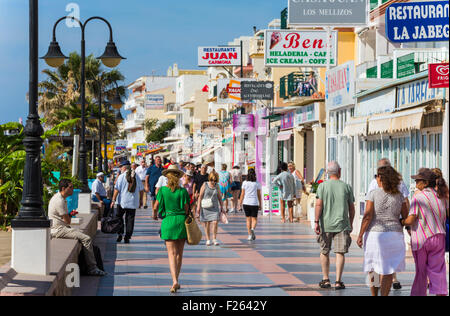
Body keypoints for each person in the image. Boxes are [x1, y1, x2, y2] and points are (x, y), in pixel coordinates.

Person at [357, 166, 408, 296]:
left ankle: (374, 294)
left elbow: (367, 216)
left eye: (377, 176)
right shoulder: (399, 195)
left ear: (380, 177)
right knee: (388, 270)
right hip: (394, 235)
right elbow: (405, 216)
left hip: (375, 234)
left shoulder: (373, 194)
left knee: (372, 268)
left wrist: (360, 234)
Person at [402, 168, 449, 296]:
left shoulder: (418, 197)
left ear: (425, 182)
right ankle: (441, 293)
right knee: (438, 270)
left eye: (418, 180)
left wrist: (402, 221)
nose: (416, 183)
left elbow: (411, 219)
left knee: (421, 271)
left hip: (421, 239)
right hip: (439, 237)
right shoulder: (442, 197)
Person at [49, 179, 106, 276]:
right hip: (58, 229)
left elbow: (65, 218)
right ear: (63, 188)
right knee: (86, 239)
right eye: (70, 187)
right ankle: (92, 268)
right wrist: (69, 216)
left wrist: (70, 214)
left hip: (62, 227)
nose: (73, 189)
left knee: (82, 236)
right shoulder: (59, 201)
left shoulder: (60, 198)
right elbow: (68, 221)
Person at [314, 161, 355, 290]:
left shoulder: (322, 186)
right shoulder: (346, 187)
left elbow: (319, 205)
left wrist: (316, 222)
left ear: (327, 173)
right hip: (342, 225)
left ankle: (326, 279)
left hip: (325, 224)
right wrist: (351, 222)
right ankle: (338, 281)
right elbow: (351, 208)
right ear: (339, 171)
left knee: (324, 251)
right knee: (340, 252)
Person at [152, 165, 189, 293]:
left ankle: (174, 281)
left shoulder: (162, 190)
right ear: (178, 177)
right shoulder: (183, 191)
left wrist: (154, 215)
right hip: (180, 222)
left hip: (168, 221)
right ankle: (177, 279)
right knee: (179, 254)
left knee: (171, 254)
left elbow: (156, 207)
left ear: (167, 177)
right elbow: (186, 209)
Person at [111, 160, 144, 244]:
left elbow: (116, 189)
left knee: (119, 218)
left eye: (121, 167)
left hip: (121, 202)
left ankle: (120, 233)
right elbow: (141, 190)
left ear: (124, 167)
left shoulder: (121, 176)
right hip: (133, 202)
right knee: (130, 220)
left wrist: (113, 200)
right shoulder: (136, 176)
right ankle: (127, 236)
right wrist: (140, 200)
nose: (120, 168)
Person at [197, 171, 224, 246]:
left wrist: (222, 207)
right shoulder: (205, 184)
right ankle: (208, 239)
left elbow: (219, 197)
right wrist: (198, 207)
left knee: (215, 222)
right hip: (205, 207)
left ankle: (214, 239)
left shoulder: (217, 186)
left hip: (214, 207)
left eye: (215, 180)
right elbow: (200, 196)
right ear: (209, 178)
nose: (213, 182)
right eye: (212, 180)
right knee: (207, 223)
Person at [239, 168, 262, 241]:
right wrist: (260, 204)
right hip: (254, 203)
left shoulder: (244, 183)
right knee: (254, 219)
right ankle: (252, 229)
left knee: (248, 219)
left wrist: (240, 202)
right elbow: (259, 194)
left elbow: (242, 194)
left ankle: (249, 235)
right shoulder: (257, 183)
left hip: (246, 203)